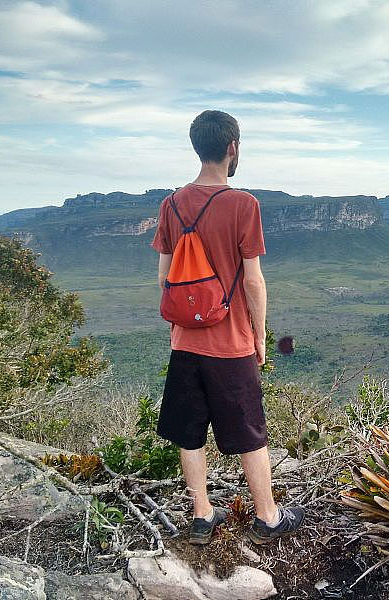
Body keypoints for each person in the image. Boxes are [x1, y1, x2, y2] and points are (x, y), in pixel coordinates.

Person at [151, 109, 304, 545]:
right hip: (231, 343)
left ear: (196, 147)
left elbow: (163, 278)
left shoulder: (171, 204)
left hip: (185, 341)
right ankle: (267, 517)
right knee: (250, 432)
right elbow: (253, 280)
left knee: (190, 432)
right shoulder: (243, 204)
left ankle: (202, 515)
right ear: (232, 147)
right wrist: (259, 335)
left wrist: (187, 316)